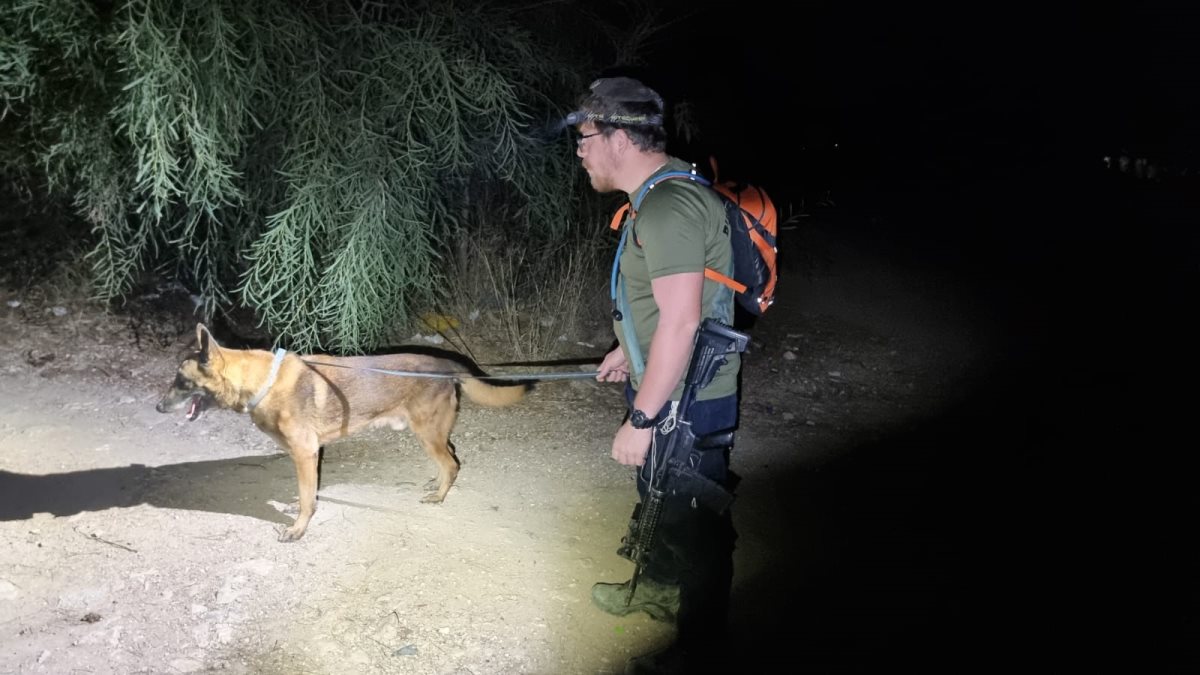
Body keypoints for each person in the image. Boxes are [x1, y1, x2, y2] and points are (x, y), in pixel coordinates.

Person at [571, 76, 742, 674]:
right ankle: (658, 590)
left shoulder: (669, 205)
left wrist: (642, 419)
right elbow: (665, 310)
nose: (580, 149)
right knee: (662, 497)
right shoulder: (660, 197)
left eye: (586, 136)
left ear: (619, 137)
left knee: (693, 519)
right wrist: (629, 351)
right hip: (671, 383)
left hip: (689, 397)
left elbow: (682, 321)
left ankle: (701, 649)